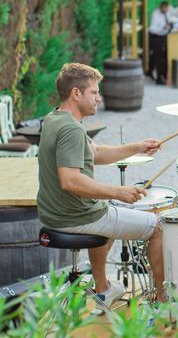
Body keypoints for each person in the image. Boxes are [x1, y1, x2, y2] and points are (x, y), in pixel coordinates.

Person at [36, 63, 164, 311]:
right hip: (75, 216)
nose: (99, 98)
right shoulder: (71, 129)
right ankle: (163, 302)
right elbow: (70, 180)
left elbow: (96, 152)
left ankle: (103, 289)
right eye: (94, 93)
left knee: (108, 209)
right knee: (158, 227)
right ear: (76, 93)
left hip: (54, 213)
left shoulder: (55, 118)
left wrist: (137, 146)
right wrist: (119, 191)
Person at [148, 1, 175, 85]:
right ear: (161, 7)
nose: (166, 9)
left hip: (164, 36)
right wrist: (163, 27)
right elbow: (152, 29)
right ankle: (158, 78)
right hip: (156, 37)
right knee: (158, 58)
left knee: (164, 57)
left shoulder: (168, 12)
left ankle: (163, 76)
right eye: (165, 8)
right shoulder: (155, 15)